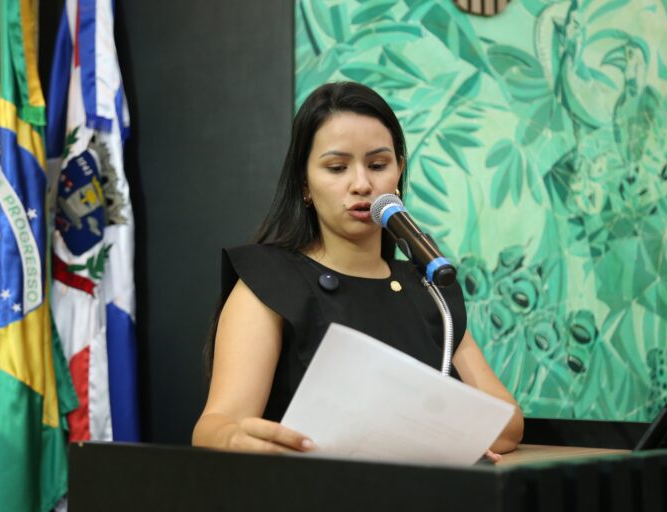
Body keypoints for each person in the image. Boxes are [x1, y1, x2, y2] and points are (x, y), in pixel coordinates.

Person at [192, 82, 524, 461]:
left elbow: (508, 426)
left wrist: (441, 438)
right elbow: (215, 425)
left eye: (378, 165)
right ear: (304, 184)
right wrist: (235, 439)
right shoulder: (271, 280)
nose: (362, 184)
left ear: (399, 172)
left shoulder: (428, 285)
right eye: (337, 168)